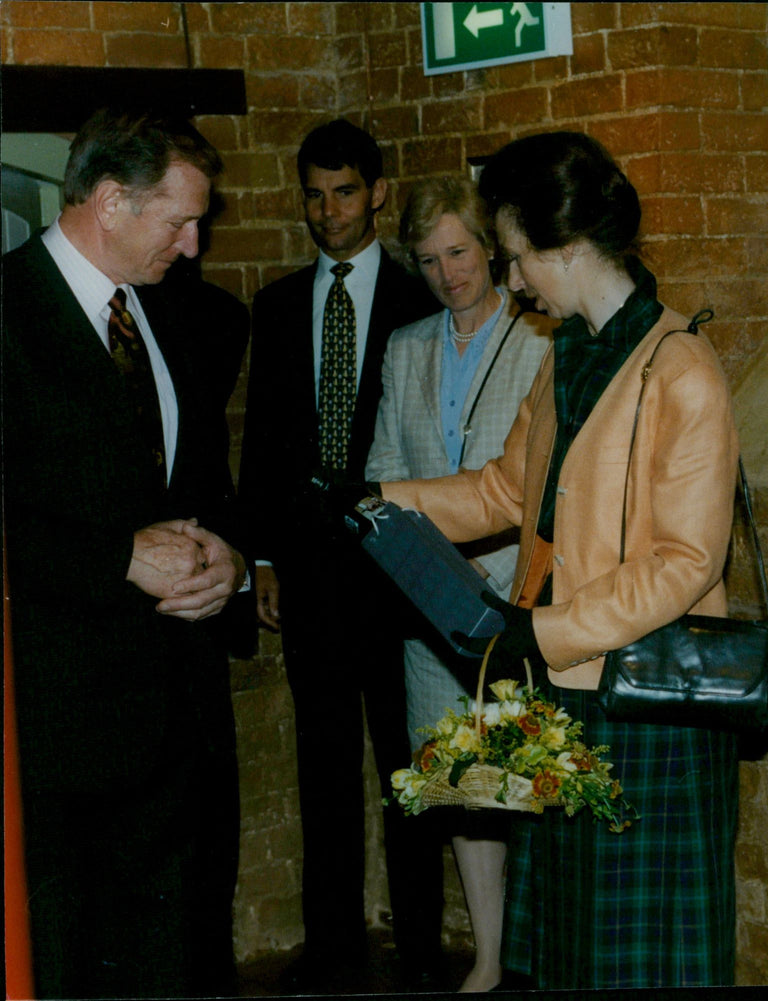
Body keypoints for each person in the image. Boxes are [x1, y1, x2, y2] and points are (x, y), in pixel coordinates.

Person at [370, 131, 740, 989]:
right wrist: (380, 497)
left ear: (567, 246)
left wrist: (545, 630)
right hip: (567, 695)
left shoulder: (682, 366)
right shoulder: (565, 356)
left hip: (647, 706)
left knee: (643, 965)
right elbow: (504, 492)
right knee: (573, 957)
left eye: (514, 256)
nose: (510, 280)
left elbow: (687, 561)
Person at [2, 106, 251, 999]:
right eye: (179, 221)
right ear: (109, 201)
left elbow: (207, 491)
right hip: (59, 737)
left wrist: (233, 559)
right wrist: (115, 555)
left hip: (179, 726)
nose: (193, 246)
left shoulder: (176, 316)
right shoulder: (7, 313)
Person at [238, 119, 442, 992]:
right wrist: (262, 561)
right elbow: (263, 448)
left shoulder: (419, 300)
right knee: (323, 768)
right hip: (311, 579)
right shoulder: (280, 304)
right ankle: (331, 952)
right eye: (314, 196)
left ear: (379, 192)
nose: (328, 213)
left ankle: (426, 949)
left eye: (345, 193)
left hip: (397, 577)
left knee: (410, 768)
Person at [365, 175, 552, 993]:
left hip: (517, 601)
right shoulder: (406, 346)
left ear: (490, 249)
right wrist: (430, 568)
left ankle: (536, 952)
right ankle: (485, 956)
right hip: (427, 608)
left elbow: (543, 486)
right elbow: (383, 473)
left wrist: (488, 565)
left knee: (529, 779)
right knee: (462, 786)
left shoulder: (541, 340)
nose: (449, 274)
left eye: (461, 252)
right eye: (431, 258)